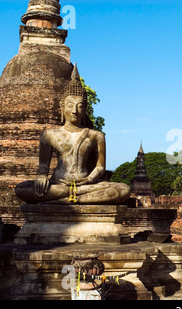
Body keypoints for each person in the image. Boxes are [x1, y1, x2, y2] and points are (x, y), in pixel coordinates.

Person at [15, 64, 130, 205]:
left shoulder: (96, 135)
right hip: (58, 183)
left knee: (123, 190)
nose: (75, 110)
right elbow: (43, 165)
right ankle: (74, 196)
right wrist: (42, 177)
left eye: (80, 106)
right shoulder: (49, 134)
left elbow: (100, 167)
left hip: (86, 184)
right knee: (21, 189)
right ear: (62, 107)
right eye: (70, 105)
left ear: (85, 108)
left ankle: (66, 198)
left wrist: (88, 180)